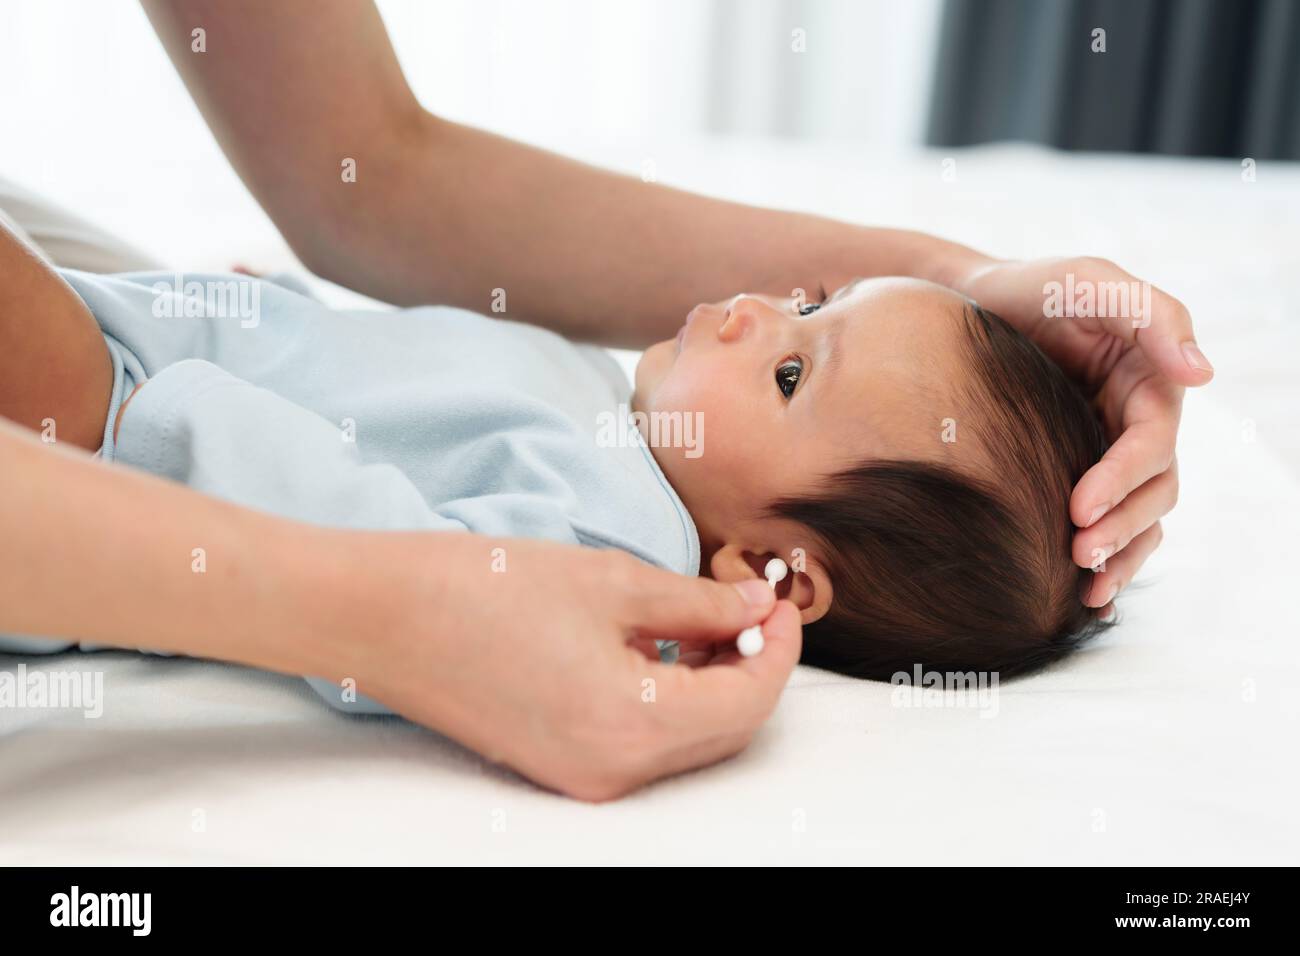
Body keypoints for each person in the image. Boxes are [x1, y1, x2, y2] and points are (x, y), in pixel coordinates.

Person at [0, 0, 1208, 800]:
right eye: (807, 300)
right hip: (139, 361)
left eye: (791, 368)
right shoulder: (603, 413)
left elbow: (370, 528)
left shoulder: (602, 537)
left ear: (775, 574)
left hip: (106, 424)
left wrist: (180, 405)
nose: (748, 308)